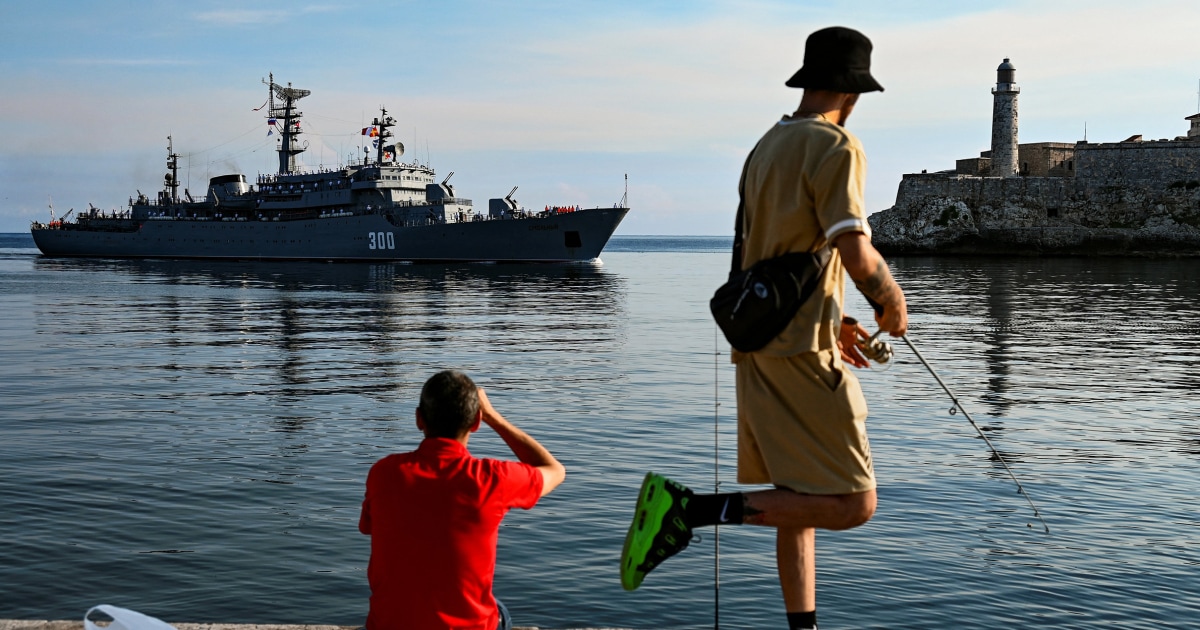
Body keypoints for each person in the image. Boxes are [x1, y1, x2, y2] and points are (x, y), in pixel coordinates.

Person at [619, 26, 908, 630]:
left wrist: (840, 319)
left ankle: (801, 626)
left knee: (794, 502)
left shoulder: (767, 146)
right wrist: (890, 301)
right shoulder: (837, 146)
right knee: (856, 503)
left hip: (760, 346)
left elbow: (778, 257)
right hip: (803, 356)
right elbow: (854, 251)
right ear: (854, 91)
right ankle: (687, 510)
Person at [359, 370, 566, 630]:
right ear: (476, 422)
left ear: (418, 419)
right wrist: (495, 417)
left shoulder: (384, 473)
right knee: (498, 609)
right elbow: (555, 471)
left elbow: (368, 527)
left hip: (389, 625)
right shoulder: (491, 479)